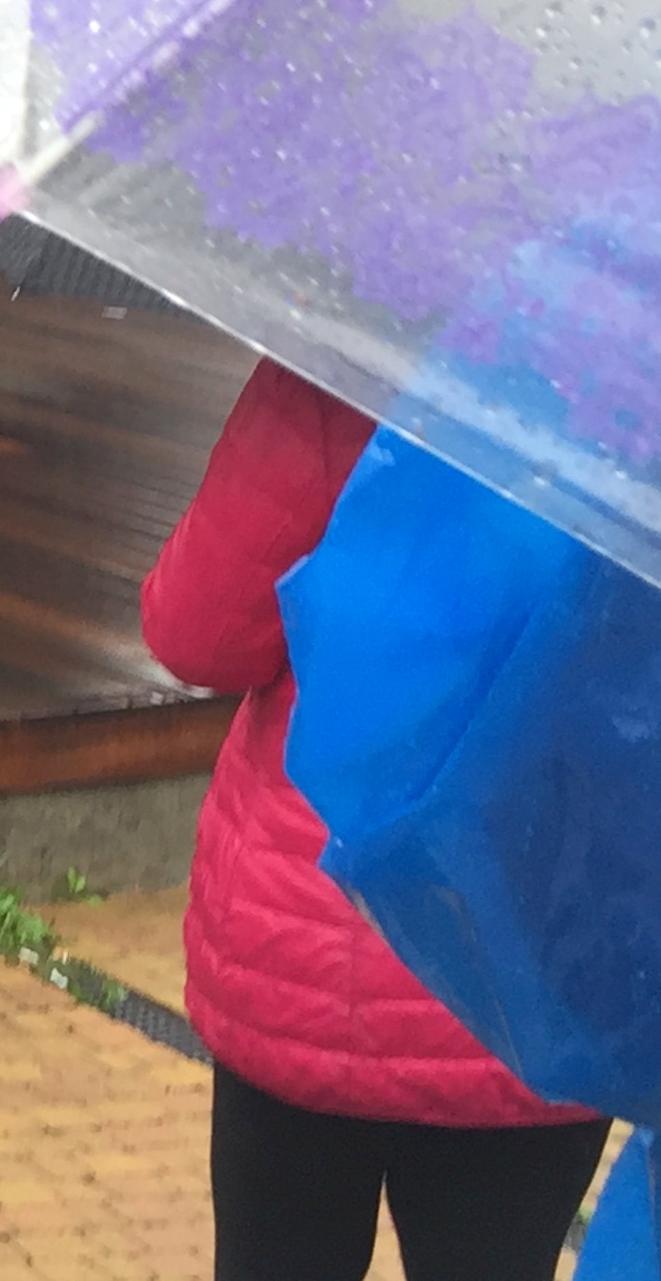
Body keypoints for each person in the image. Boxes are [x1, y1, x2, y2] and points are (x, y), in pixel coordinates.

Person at [143, 358, 609, 1281]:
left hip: (306, 946)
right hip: (533, 965)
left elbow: (197, 633)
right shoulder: (630, 399)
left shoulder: (332, 375)